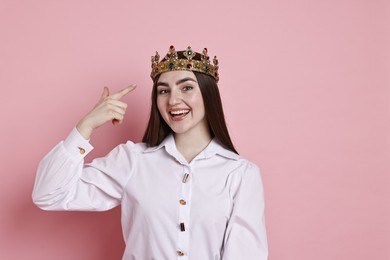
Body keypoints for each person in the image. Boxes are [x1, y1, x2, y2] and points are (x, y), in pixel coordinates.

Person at [32, 46, 268, 259]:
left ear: (208, 95)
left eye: (186, 88)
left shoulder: (240, 174)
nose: (173, 100)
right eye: (163, 91)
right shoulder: (132, 160)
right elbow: (48, 194)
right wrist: (85, 127)